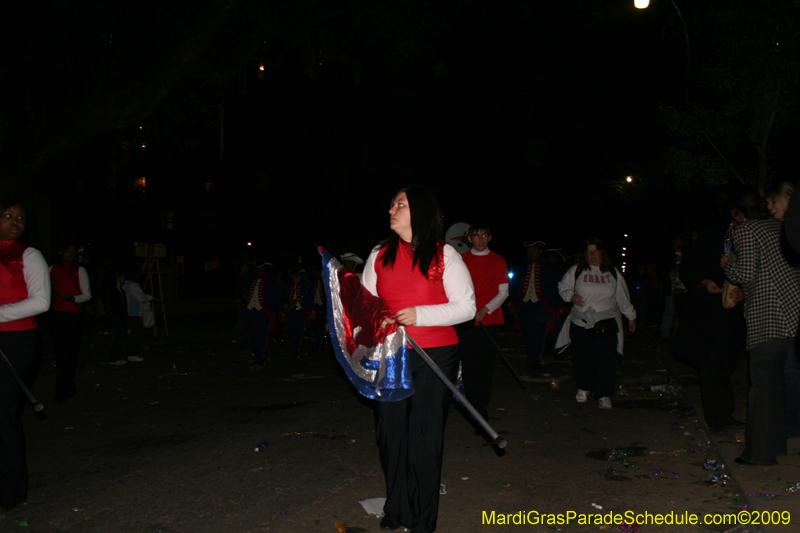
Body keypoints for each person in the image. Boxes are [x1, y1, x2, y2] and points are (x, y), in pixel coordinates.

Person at [361, 186, 475, 533]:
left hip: (435, 356)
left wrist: (419, 315)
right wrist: (376, 318)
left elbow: (466, 306)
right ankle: (397, 510)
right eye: (392, 203)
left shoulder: (445, 256)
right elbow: (366, 304)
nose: (392, 209)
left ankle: (423, 519)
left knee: (424, 438)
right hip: (391, 355)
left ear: (420, 212)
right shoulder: (379, 255)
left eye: (400, 204)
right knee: (390, 434)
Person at [722, 187, 800, 465]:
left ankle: (759, 453)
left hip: (768, 315)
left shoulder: (748, 230)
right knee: (776, 382)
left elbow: (745, 272)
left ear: (739, 212)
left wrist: (728, 265)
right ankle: (776, 444)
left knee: (763, 384)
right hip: (792, 312)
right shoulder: (780, 227)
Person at [0, 198, 51, 510]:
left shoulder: (29, 256)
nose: (15, 221)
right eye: (7, 215)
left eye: (20, 217)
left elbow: (42, 301)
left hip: (18, 344)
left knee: (3, 417)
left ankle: (11, 492)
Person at [556, 238, 637, 409]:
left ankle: (605, 394)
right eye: (589, 251)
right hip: (581, 323)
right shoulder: (577, 270)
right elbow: (563, 287)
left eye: (595, 251)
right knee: (582, 359)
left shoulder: (612, 273)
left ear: (602, 253)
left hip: (605, 325)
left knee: (606, 360)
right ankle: (583, 388)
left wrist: (631, 317)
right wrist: (571, 296)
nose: (592, 255)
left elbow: (622, 297)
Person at [458, 223, 509, 419]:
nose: (480, 239)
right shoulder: (461, 260)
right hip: (466, 320)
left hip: (489, 319)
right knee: (469, 364)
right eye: (476, 236)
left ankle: (482, 407)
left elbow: (503, 292)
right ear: (469, 238)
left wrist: (484, 310)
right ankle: (472, 408)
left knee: (485, 366)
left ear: (489, 237)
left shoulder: (499, 260)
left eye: (484, 235)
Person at [765, 181, 800, 438]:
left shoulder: (792, 228)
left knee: (790, 370)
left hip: (789, 313)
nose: (769, 207)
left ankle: (792, 426)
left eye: (772, 202)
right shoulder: (782, 229)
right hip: (788, 313)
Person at [509, 240, 563, 372]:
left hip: (542, 305)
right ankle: (532, 357)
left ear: (540, 251)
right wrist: (512, 303)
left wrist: (557, 308)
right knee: (527, 333)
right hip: (524, 305)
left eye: (533, 250)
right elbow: (514, 287)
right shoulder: (520, 267)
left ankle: (534, 360)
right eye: (529, 250)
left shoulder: (550, 268)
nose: (530, 252)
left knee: (538, 332)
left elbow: (556, 289)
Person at [49, 242, 91, 402]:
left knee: (70, 352)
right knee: (60, 353)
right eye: (68, 250)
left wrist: (72, 298)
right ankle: (66, 387)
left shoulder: (80, 270)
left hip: (73, 316)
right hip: (56, 316)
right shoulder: (51, 269)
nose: (72, 254)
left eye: (74, 251)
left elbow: (87, 295)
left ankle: (64, 389)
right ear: (61, 252)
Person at [243, 260, 281, 366]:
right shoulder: (249, 281)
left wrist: (280, 312)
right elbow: (243, 293)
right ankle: (256, 355)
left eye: (261, 270)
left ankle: (261, 357)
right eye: (257, 270)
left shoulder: (272, 282)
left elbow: (277, 298)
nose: (259, 272)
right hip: (251, 312)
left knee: (263, 335)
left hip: (264, 312)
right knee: (253, 335)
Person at [112, 269, 153, 363]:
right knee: (138, 333)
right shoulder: (132, 285)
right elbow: (141, 298)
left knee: (131, 333)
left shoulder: (123, 286)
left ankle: (127, 354)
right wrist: (149, 298)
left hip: (127, 313)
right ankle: (131, 354)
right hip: (135, 312)